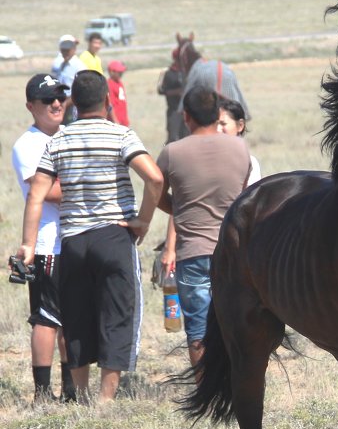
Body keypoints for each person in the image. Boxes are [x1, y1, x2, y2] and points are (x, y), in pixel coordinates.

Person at [16, 70, 163, 404]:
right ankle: (105, 399)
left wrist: (27, 243)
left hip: (74, 242)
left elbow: (36, 194)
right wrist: (142, 221)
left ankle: (80, 397)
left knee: (77, 317)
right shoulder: (121, 135)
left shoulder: (57, 141)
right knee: (116, 315)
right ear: (108, 101)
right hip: (113, 236)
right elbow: (154, 178)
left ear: (72, 105)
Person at [157, 88, 251, 366]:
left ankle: (204, 391)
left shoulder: (172, 152)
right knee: (236, 328)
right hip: (234, 252)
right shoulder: (240, 148)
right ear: (216, 115)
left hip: (193, 252)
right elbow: (243, 196)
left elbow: (159, 196)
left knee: (198, 331)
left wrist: (185, 211)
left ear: (186, 117)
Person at [10, 75, 76, 403]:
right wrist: (86, 185)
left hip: (74, 240)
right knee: (47, 318)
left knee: (71, 317)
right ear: (30, 107)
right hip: (47, 243)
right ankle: (42, 392)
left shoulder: (68, 135)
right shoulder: (28, 144)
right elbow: (47, 191)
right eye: (47, 99)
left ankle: (70, 389)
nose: (56, 104)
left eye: (59, 97)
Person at [217, 97, 261, 186]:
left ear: (240, 125)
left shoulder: (251, 163)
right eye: (215, 124)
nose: (218, 129)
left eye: (223, 124)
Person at [50, 34, 84, 121]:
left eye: (68, 50)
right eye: (63, 50)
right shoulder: (60, 64)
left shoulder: (79, 66)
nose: (66, 52)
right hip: (61, 103)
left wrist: (65, 104)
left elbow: (80, 90)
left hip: (72, 105)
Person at [157, 50, 186, 143]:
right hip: (174, 111)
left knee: (188, 137)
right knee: (173, 138)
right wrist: (176, 92)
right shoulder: (167, 73)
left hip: (188, 111)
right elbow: (160, 90)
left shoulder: (188, 72)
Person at [107, 60, 129, 127]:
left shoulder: (119, 83)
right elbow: (110, 104)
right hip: (116, 122)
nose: (121, 74)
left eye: (122, 72)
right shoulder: (109, 84)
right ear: (111, 72)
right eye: (119, 72)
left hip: (123, 120)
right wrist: (115, 121)